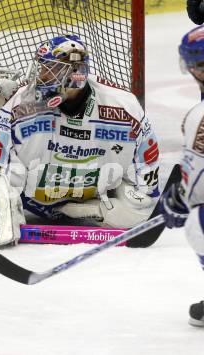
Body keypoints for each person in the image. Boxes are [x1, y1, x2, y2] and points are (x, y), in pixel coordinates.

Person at [0, 35, 160, 249]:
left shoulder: (123, 106)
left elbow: (147, 159)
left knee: (126, 210)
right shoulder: (24, 102)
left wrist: (141, 201)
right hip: (31, 195)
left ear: (76, 75)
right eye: (43, 68)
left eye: (52, 70)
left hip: (82, 196)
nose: (43, 76)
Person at [159, 25, 204, 327]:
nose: (194, 72)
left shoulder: (199, 118)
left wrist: (183, 197)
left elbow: (198, 186)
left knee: (198, 223)